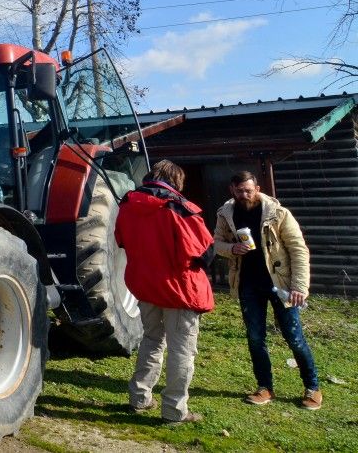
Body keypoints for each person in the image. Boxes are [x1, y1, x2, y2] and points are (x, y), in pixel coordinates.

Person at [115, 160, 215, 424]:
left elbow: (122, 241)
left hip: (146, 286)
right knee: (182, 350)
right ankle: (174, 410)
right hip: (179, 290)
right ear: (177, 180)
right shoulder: (179, 209)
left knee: (151, 339)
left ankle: (140, 397)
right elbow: (205, 253)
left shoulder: (127, 205)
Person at [213, 171, 322, 410]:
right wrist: (232, 249)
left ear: (257, 188)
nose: (245, 195)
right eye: (240, 191)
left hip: (281, 284)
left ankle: (312, 387)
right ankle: (265, 387)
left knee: (294, 338)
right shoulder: (226, 214)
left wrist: (300, 286)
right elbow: (216, 243)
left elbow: (298, 249)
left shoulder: (278, 213)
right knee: (255, 338)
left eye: (249, 190)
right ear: (233, 189)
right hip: (248, 284)